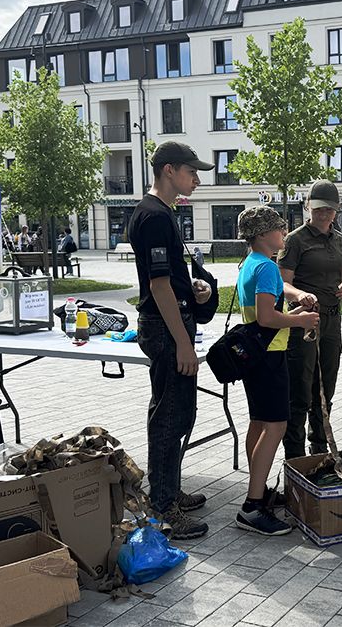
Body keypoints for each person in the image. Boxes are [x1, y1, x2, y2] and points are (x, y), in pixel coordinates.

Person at [128, 141, 219, 538]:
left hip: (171, 322)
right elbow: (158, 285)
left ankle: (168, 490)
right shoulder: (153, 216)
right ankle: (163, 506)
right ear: (169, 170)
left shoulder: (161, 212)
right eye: (191, 171)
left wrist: (192, 287)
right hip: (166, 328)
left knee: (177, 413)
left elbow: (169, 280)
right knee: (169, 416)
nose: (196, 179)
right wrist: (183, 342)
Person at [234, 206, 320, 535]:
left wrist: (296, 312)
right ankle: (253, 505)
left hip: (255, 355)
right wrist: (301, 320)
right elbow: (268, 318)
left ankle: (257, 489)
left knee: (259, 423)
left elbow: (262, 316)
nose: (284, 232)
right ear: (261, 234)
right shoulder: (268, 267)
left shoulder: (249, 264)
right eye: (278, 228)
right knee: (276, 426)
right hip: (270, 356)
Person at [278, 180, 342, 458]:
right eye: (319, 208)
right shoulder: (295, 240)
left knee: (327, 387)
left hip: (332, 320)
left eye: (329, 209)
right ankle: (295, 455)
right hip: (305, 320)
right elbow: (282, 284)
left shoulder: (341, 239)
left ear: (336, 210)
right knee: (301, 389)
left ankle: (320, 447)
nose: (324, 214)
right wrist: (300, 294)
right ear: (308, 206)